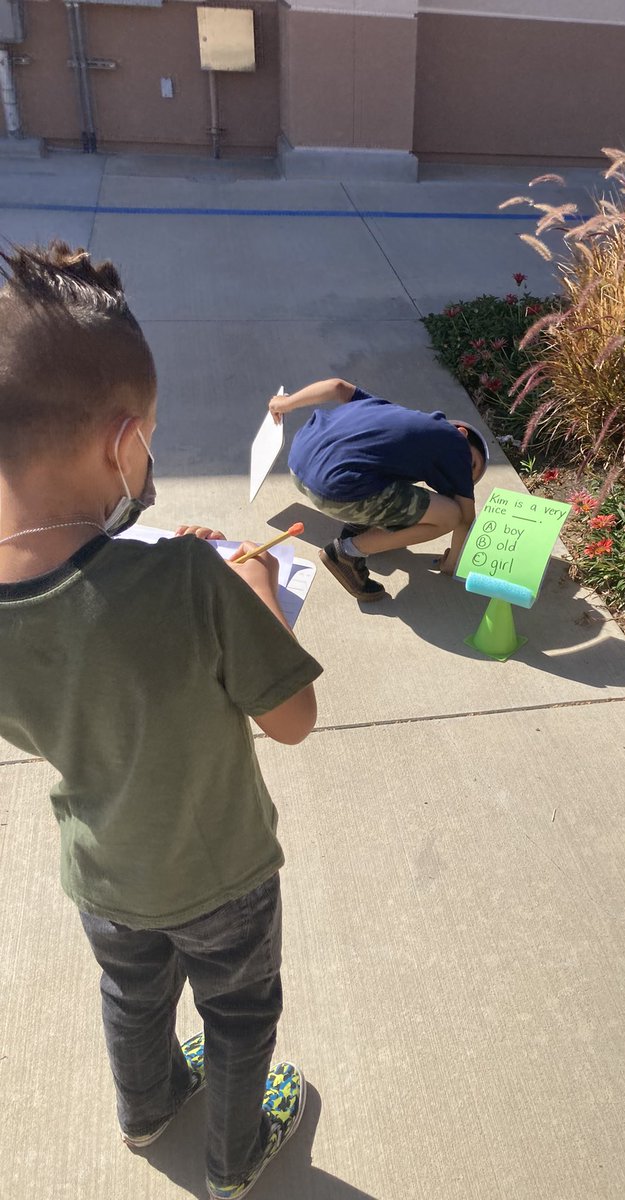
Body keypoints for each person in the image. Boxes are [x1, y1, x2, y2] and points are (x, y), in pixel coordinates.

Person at [0, 243, 321, 1200]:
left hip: (103, 872)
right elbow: (292, 719)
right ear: (122, 440)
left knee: (132, 997)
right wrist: (251, 586)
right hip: (219, 873)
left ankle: (145, 1112)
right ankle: (233, 1160)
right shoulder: (188, 577)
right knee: (239, 1014)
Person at [269, 379, 489, 601]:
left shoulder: (389, 412)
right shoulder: (456, 444)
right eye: (471, 466)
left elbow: (337, 387)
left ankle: (360, 525)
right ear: (462, 432)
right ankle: (347, 554)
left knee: (394, 479)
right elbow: (465, 519)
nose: (463, 476)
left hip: (298, 460)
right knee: (450, 515)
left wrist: (287, 403)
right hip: (333, 489)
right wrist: (452, 565)